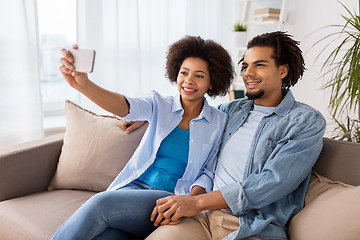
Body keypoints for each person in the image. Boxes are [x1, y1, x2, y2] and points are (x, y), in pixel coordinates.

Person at [137, 31, 326, 240]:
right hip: (199, 217)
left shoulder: (306, 122)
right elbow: (191, 111)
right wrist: (149, 116)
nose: (248, 73)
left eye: (259, 65)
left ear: (283, 70)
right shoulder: (230, 110)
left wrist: (197, 202)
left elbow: (273, 181)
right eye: (245, 66)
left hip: (249, 224)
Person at [51, 36, 234, 239]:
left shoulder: (218, 122)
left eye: (199, 76)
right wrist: (83, 85)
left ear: (212, 82)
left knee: (100, 203)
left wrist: (188, 203)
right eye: (184, 72)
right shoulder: (159, 104)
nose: (188, 80)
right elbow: (127, 107)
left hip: (167, 198)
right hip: (131, 188)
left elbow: (208, 172)